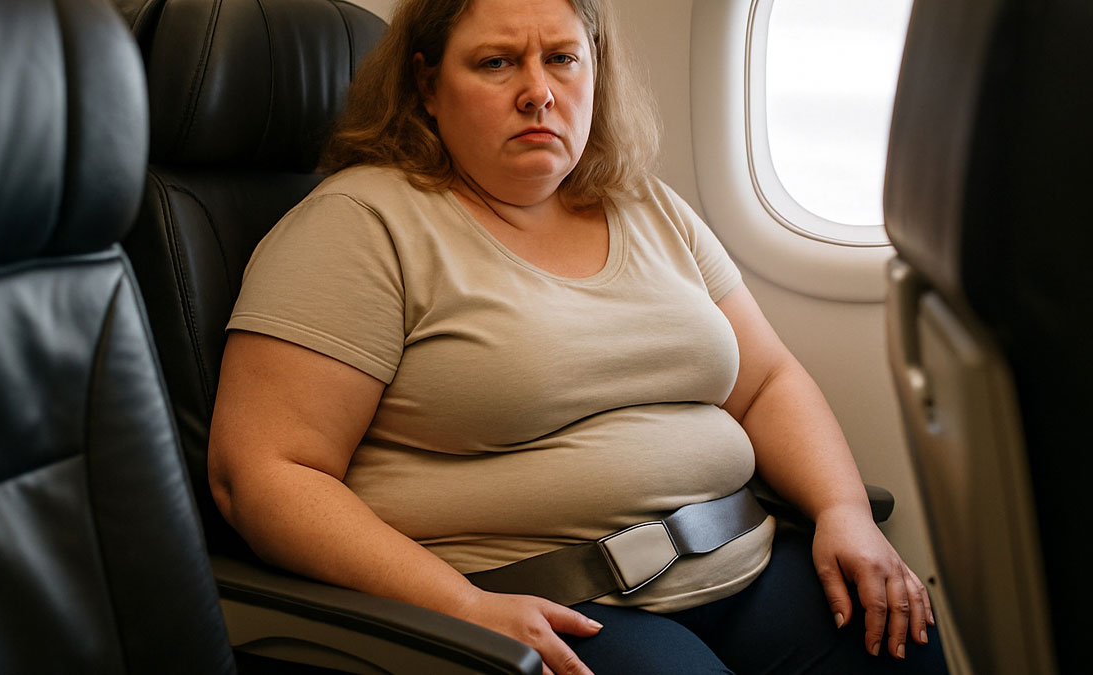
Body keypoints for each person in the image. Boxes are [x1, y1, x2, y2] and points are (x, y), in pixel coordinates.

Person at [207, 0, 948, 672]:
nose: (538, 90)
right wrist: (461, 608)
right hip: (537, 602)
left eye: (562, 58)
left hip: (743, 559)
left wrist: (843, 511)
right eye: (497, 63)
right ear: (427, 87)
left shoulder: (645, 204)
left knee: (898, 639)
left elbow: (765, 381)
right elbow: (266, 472)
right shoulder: (362, 225)